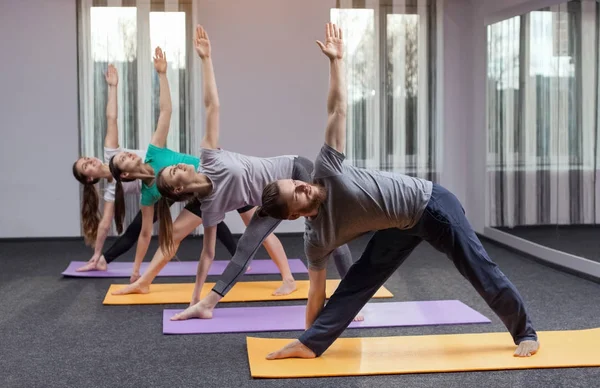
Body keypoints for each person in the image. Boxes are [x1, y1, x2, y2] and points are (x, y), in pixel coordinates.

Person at [258, 23, 539, 360]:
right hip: (398, 226)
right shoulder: (317, 239)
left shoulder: (325, 171)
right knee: (357, 281)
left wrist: (336, 62)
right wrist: (307, 335)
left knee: (477, 267)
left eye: (296, 183)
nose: (303, 186)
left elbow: (337, 110)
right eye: (297, 194)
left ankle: (525, 332)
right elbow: (316, 291)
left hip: (430, 205)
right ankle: (310, 345)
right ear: (293, 214)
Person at [116, 25, 356, 319]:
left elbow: (211, 105)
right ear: (179, 190)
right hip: (271, 200)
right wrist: (195, 295)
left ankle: (348, 298)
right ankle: (206, 306)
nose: (175, 166)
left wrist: (206, 60)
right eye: (172, 174)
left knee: (330, 232)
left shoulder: (208, 156)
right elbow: (207, 254)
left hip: (294, 171)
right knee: (245, 248)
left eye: (173, 167)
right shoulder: (209, 207)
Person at [110, 25, 301, 298]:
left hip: (225, 180)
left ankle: (288, 277)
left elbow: (167, 110)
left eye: (125, 152)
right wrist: (136, 269)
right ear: (125, 176)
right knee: (175, 234)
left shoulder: (154, 151)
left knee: (256, 227)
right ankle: (144, 281)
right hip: (205, 194)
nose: (128, 153)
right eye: (122, 160)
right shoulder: (150, 193)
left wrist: (163, 74)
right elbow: (144, 234)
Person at [72, 65, 238, 277]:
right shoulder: (114, 189)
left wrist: (113, 87)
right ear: (90, 179)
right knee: (142, 227)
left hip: (168, 174)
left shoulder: (115, 153)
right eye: (86, 166)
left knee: (210, 207)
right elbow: (106, 224)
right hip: (157, 190)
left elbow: (112, 118)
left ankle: (237, 254)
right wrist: (97, 254)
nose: (90, 160)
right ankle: (107, 261)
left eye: (86, 159)